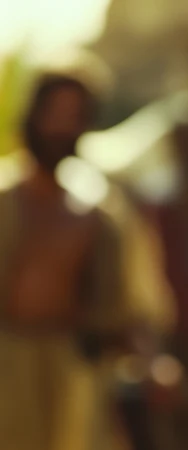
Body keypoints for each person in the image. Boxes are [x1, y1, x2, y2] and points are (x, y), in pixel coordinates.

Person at [0, 72, 142, 450]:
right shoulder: (4, 200)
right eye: (54, 113)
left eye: (74, 116)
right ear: (32, 115)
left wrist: (149, 360)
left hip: (71, 376)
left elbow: (129, 308)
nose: (61, 128)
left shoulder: (99, 212)